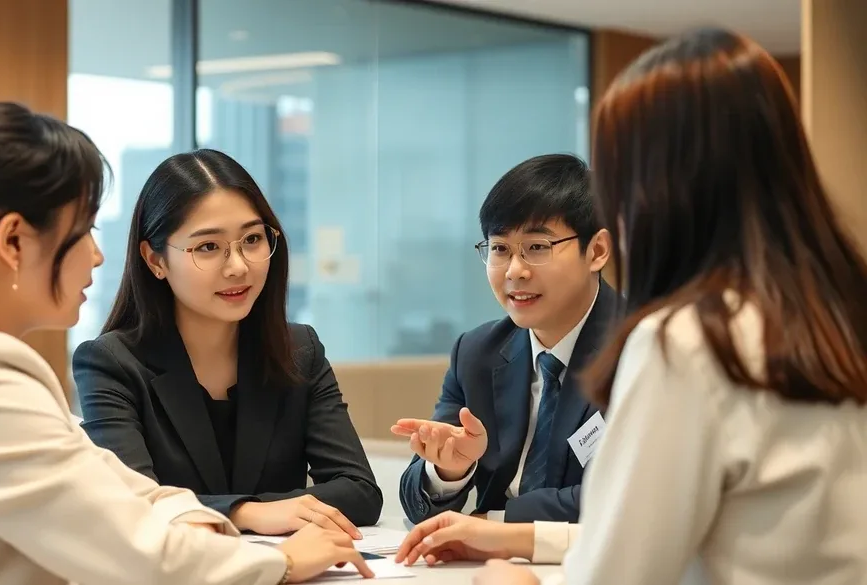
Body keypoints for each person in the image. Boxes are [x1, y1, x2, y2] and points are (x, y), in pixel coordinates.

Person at [0, 68, 372, 585]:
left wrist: (208, 517)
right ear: (13, 242)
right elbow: (131, 550)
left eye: (252, 240)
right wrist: (280, 563)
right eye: (83, 231)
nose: (97, 256)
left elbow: (120, 491)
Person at [412, 28, 867, 585]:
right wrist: (507, 531)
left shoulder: (688, 341)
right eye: (501, 249)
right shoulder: (829, 314)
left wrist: (511, 577)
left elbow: (621, 570)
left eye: (624, 171)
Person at [72, 149, 383, 537]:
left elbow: (360, 492)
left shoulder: (299, 349)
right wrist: (241, 513)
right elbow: (130, 504)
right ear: (155, 260)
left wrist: (243, 510)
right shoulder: (111, 363)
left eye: (252, 239)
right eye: (208, 247)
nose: (238, 266)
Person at [392, 154, 615, 542]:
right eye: (499, 249)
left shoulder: (642, 346)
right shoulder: (477, 352)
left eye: (537, 246)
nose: (514, 271)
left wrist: (495, 524)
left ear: (596, 251)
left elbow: (619, 495)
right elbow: (417, 501)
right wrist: (449, 471)